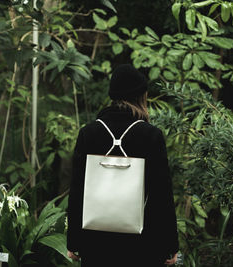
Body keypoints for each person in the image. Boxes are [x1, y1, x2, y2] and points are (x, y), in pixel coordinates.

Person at [67, 64, 179, 267]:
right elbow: (161, 193)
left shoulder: (89, 133)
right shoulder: (151, 136)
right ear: (141, 96)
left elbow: (77, 189)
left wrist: (74, 240)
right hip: (144, 244)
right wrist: (169, 244)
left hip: (96, 242)